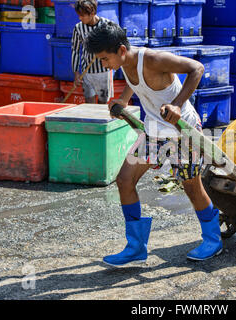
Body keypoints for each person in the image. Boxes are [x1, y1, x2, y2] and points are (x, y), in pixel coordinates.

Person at [84, 20, 224, 266]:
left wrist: (178, 105)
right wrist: (124, 102)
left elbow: (197, 68)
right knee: (124, 180)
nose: (104, 65)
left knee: (190, 185)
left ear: (121, 51)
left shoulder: (152, 59)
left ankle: (213, 240)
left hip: (183, 131)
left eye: (105, 59)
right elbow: (133, 82)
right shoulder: (125, 63)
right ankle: (136, 246)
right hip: (155, 131)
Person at [71, 0, 113, 104]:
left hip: (104, 72)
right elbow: (75, 50)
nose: (80, 18)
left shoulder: (106, 25)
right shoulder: (78, 28)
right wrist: (76, 72)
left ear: (93, 13)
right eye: (79, 15)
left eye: (83, 15)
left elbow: (114, 47)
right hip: (87, 73)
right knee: (89, 103)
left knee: (103, 103)